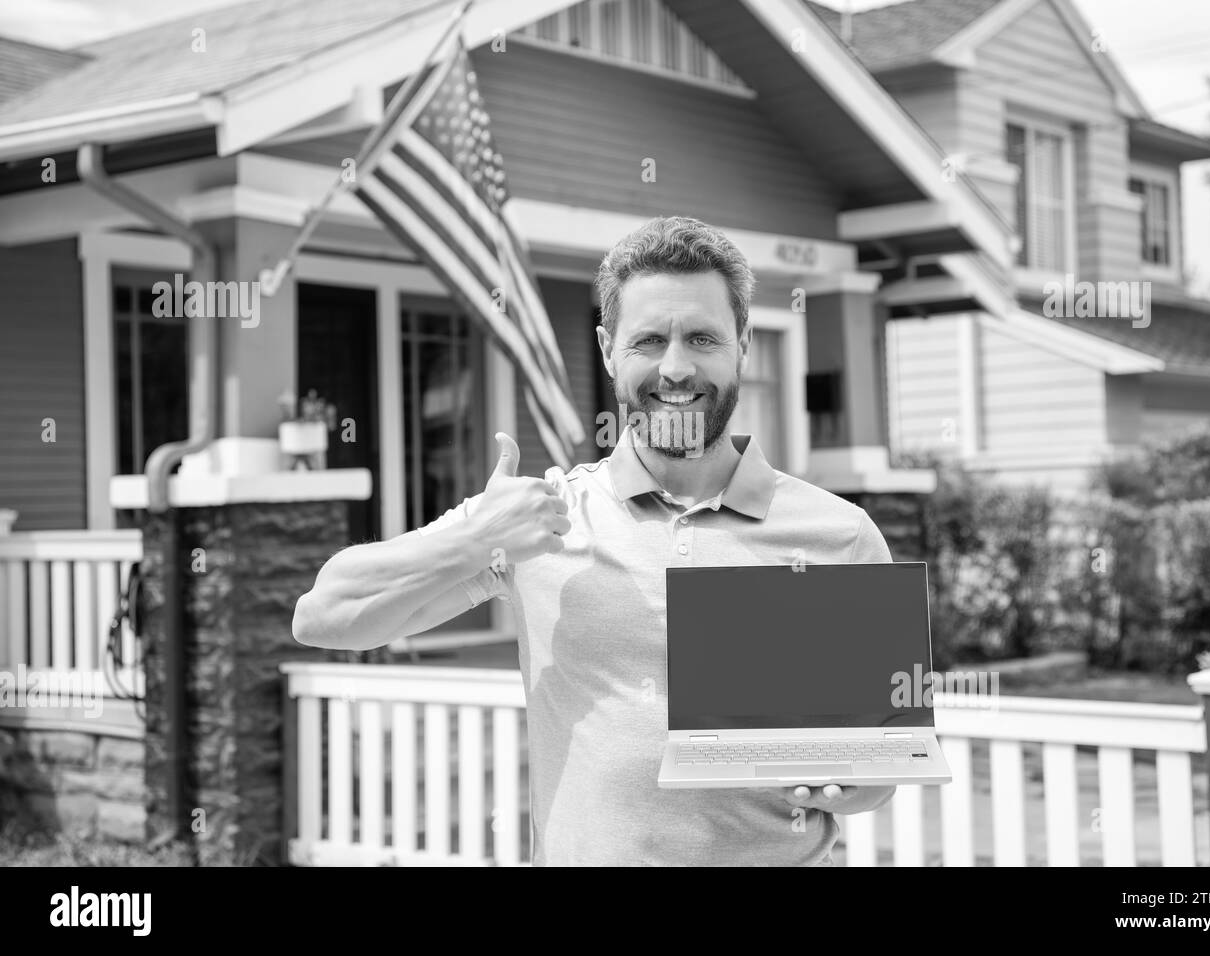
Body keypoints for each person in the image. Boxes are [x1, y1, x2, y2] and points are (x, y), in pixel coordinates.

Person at [292, 216, 896, 865]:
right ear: (608, 350)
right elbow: (324, 616)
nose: (676, 367)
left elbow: (877, 769)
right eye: (649, 340)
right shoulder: (543, 518)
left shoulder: (838, 534)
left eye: (702, 337)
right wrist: (473, 540)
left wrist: (854, 782)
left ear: (743, 342)